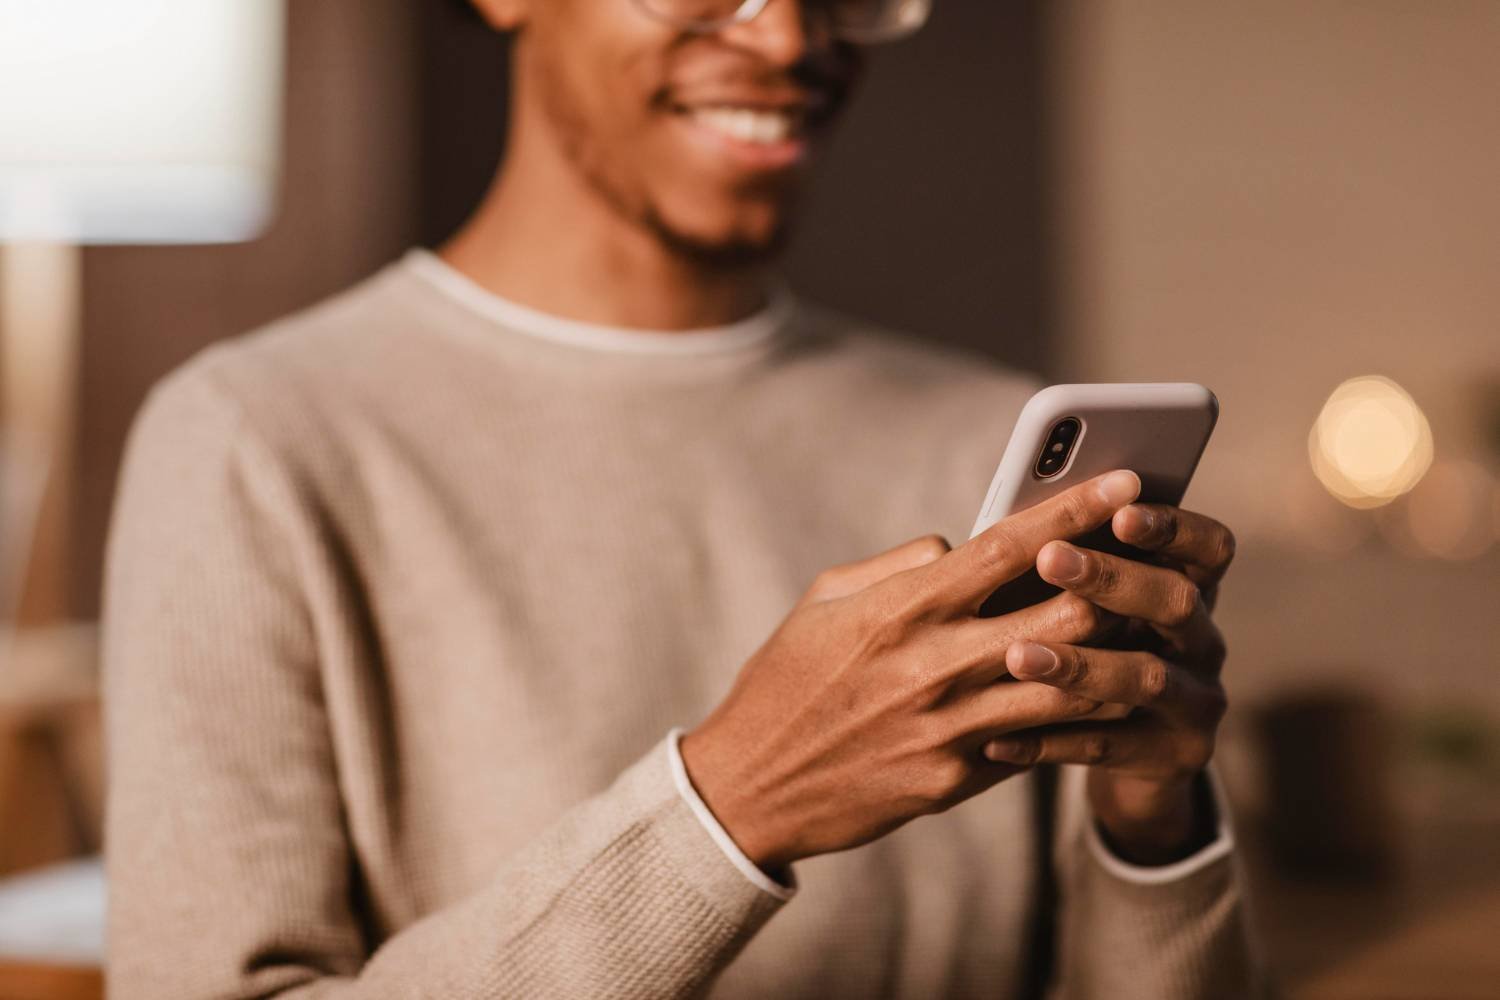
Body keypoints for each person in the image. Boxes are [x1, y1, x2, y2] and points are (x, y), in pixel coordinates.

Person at [103, 0, 1260, 996]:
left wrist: (1150, 829)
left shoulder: (986, 439)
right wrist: (728, 809)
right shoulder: (253, 442)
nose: (791, 37)